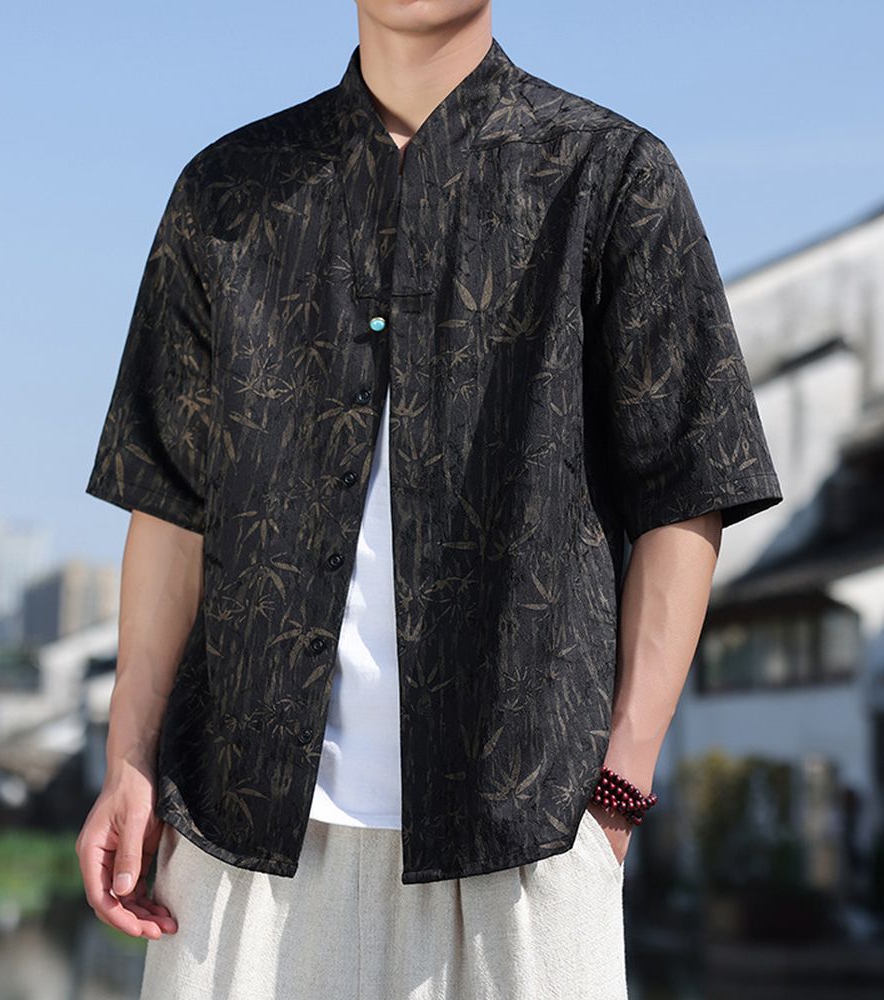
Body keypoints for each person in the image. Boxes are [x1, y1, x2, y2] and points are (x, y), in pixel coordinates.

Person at [76, 2, 784, 998]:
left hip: (528, 836)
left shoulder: (612, 177)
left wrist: (616, 792)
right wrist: (129, 759)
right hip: (238, 835)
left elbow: (685, 491)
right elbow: (169, 501)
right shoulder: (227, 193)